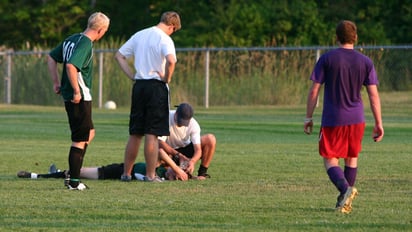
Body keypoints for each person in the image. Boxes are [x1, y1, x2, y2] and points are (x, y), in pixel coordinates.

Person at [304, 20, 384, 214]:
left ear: (336, 37)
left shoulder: (328, 59)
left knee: (330, 158)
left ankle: (345, 189)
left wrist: (308, 117)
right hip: (357, 118)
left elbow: (314, 90)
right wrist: (379, 123)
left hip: (334, 118)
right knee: (351, 157)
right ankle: (345, 201)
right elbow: (373, 95)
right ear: (355, 37)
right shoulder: (365, 62)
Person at [114, 11, 181, 182]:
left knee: (135, 133)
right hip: (156, 87)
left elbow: (119, 56)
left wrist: (132, 75)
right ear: (172, 26)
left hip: (139, 87)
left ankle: (126, 173)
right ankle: (150, 175)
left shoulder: (140, 35)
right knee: (152, 133)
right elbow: (172, 60)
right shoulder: (165, 39)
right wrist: (167, 77)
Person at [47, 12, 110, 190]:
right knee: (79, 139)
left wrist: (56, 83)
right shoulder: (86, 44)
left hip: (72, 94)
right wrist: (76, 90)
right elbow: (70, 65)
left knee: (89, 133)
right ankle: (74, 181)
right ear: (101, 30)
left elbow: (51, 57)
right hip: (79, 97)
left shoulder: (72, 39)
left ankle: (74, 171)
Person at [17, 149, 189, 181]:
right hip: (120, 169)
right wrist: (177, 167)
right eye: (175, 172)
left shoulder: (161, 180)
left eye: (177, 177)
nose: (174, 175)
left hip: (117, 174)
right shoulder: (158, 167)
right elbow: (158, 151)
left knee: (78, 172)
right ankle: (40, 175)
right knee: (77, 172)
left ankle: (37, 175)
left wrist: (184, 173)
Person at [159, 103, 216, 179]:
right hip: (169, 152)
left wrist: (192, 161)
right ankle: (169, 170)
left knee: (210, 139)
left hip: (185, 149)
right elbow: (159, 142)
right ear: (176, 113)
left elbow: (198, 150)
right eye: (180, 120)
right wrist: (178, 155)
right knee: (158, 150)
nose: (181, 124)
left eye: (184, 122)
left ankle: (202, 174)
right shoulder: (166, 118)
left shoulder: (193, 124)